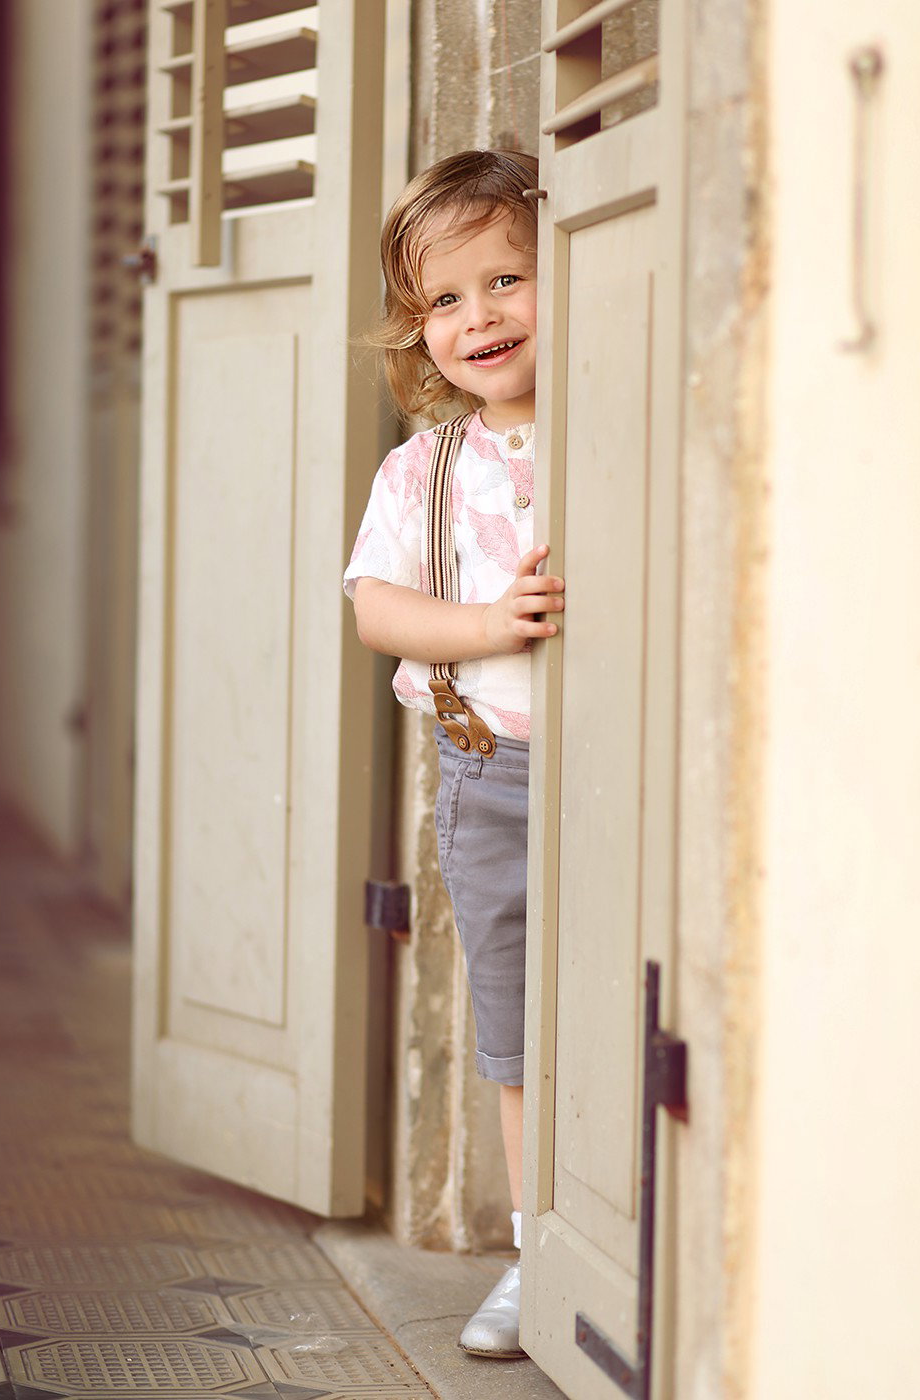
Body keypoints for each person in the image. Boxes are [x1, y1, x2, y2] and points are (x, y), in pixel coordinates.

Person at [343, 149, 565, 1357]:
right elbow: (378, 607)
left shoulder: (613, 424)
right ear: (415, 324)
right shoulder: (421, 469)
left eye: (505, 279)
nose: (476, 316)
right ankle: (541, 1253)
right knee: (518, 1028)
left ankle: (627, 1241)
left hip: (612, 772)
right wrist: (485, 625)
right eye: (443, 297)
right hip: (493, 774)